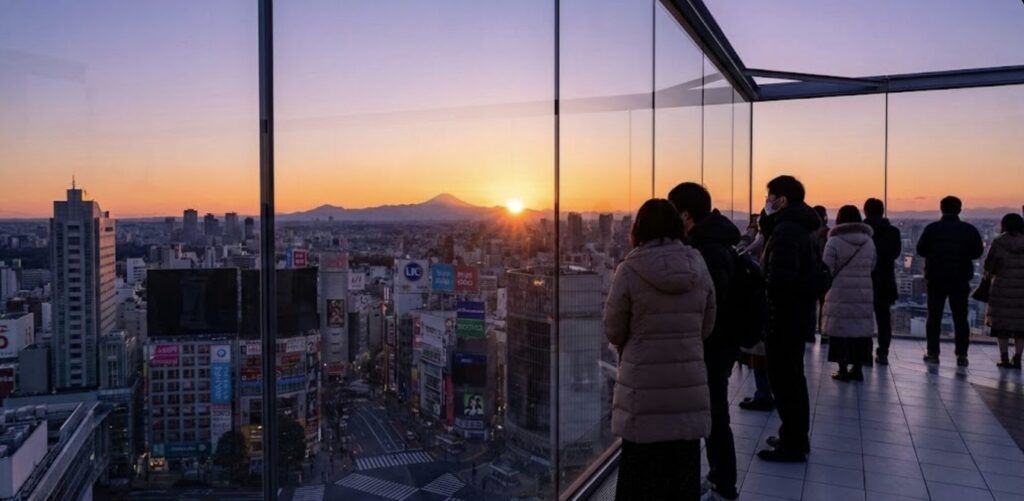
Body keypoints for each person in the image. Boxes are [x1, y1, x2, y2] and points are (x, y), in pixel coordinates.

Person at [605, 198, 716, 500]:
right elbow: (707, 324)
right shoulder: (698, 264)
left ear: (638, 229)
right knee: (683, 475)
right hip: (687, 387)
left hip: (644, 391)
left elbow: (614, 330)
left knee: (639, 479)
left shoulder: (629, 269)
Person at [669, 182, 741, 500]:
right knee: (713, 413)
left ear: (685, 215)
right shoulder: (715, 241)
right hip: (719, 345)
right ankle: (719, 478)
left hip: (712, 346)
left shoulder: (706, 249)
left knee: (712, 414)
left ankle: (722, 482)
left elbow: (713, 304)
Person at [758, 175, 820, 463]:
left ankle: (793, 444)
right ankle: (794, 436)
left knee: (785, 382)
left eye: (770, 197)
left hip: (783, 320)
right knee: (793, 379)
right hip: (795, 318)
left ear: (781, 200)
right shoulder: (800, 227)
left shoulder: (786, 232)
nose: (767, 202)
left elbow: (779, 282)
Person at [917, 196, 984, 366]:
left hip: (936, 278)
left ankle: (933, 353)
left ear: (941, 208)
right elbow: (977, 253)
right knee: (960, 318)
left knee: (934, 317)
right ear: (959, 209)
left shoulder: (932, 229)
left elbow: (921, 250)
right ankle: (962, 355)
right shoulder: (969, 230)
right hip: (960, 279)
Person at [822, 205, 877, 382]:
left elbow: (827, 268)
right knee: (859, 331)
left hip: (839, 291)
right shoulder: (869, 241)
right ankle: (858, 368)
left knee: (840, 331)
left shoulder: (834, 241)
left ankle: (842, 369)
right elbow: (872, 266)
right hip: (863, 290)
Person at [737, 213, 774, 412]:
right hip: (776, 309)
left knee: (760, 354)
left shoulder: (765, 239)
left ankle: (763, 394)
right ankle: (767, 392)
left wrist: (750, 232)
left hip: (761, 304)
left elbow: (743, 251)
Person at [863, 198, 902, 365]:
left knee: (863, 317)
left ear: (865, 211)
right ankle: (883, 352)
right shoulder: (893, 232)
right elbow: (895, 254)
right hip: (885, 279)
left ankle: (864, 352)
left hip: (864, 279)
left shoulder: (862, 232)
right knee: (883, 318)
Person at [983, 213, 1024, 369]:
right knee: (1021, 328)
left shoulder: (999, 242)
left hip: (1002, 288)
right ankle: (1018, 358)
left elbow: (989, 266)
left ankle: (1004, 358)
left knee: (1002, 326)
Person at [813, 205, 830, 343]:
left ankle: (809, 333)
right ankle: (824, 334)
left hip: (811, 272)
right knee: (825, 305)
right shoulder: (829, 234)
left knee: (811, 305)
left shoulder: (809, 233)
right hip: (825, 273)